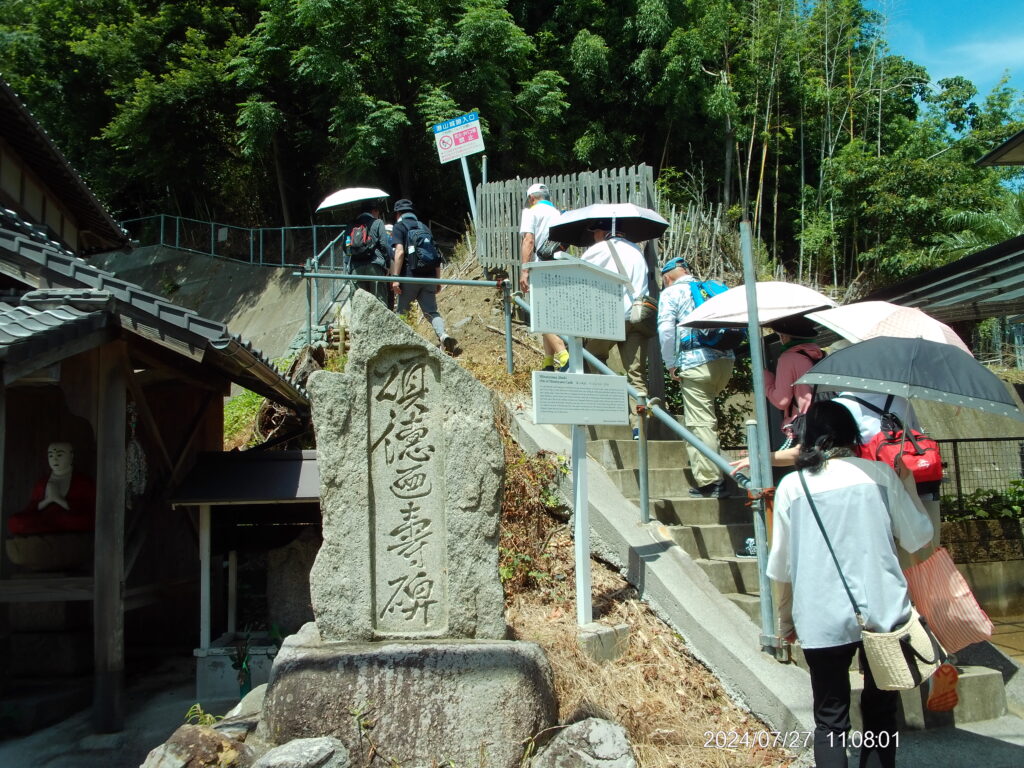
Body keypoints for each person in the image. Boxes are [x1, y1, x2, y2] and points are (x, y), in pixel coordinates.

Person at [767, 401, 932, 768]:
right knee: (880, 714)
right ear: (851, 434)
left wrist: (785, 619)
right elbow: (919, 536)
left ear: (809, 439)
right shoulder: (879, 475)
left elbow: (782, 565)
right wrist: (906, 484)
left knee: (829, 720)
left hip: (820, 614)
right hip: (883, 612)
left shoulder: (793, 486)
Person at [658, 257, 734, 497]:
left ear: (667, 278)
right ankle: (718, 472)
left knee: (700, 424)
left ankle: (712, 482)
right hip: (725, 362)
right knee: (709, 422)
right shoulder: (711, 289)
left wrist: (670, 363)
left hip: (696, 363)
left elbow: (666, 329)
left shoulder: (672, 293)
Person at [579, 219, 655, 438]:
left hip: (610, 317)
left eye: (595, 232)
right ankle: (639, 427)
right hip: (637, 318)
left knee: (594, 356)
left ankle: (608, 404)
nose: (594, 237)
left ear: (604, 232)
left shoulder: (599, 250)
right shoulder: (636, 251)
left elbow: (580, 272)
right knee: (636, 375)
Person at [389, 198, 460, 355]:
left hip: (409, 277)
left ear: (398, 214)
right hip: (428, 277)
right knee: (431, 312)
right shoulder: (424, 228)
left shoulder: (399, 227)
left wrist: (395, 279)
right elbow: (435, 255)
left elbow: (399, 252)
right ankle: (443, 335)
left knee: (402, 313)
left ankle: (403, 347)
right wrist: (437, 280)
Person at [518, 183, 569, 371]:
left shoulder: (530, 212)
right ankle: (548, 361)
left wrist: (525, 270)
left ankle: (564, 356)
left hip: (541, 268)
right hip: (560, 267)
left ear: (532, 198)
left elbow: (529, 240)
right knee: (550, 313)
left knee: (540, 315)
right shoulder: (558, 214)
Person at [763, 315, 826, 449]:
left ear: (785, 336)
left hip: (804, 426)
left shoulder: (788, 358)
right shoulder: (821, 354)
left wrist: (766, 382)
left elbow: (781, 401)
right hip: (825, 421)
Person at [347, 201, 390, 304]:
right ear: (374, 211)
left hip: (356, 268)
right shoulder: (378, 222)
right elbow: (384, 245)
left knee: (359, 303)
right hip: (375, 265)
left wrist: (351, 258)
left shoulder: (350, 225)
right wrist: (387, 264)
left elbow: (346, 248)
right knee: (380, 301)